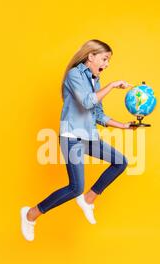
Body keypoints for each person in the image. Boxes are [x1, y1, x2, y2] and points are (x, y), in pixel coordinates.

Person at [20, 39, 136, 241]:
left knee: (120, 162)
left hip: (89, 137)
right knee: (75, 187)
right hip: (72, 137)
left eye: (108, 61)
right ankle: (31, 214)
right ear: (91, 56)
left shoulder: (94, 79)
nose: (107, 64)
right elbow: (85, 102)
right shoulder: (74, 74)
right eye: (105, 59)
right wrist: (112, 85)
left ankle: (89, 199)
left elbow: (98, 114)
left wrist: (124, 126)